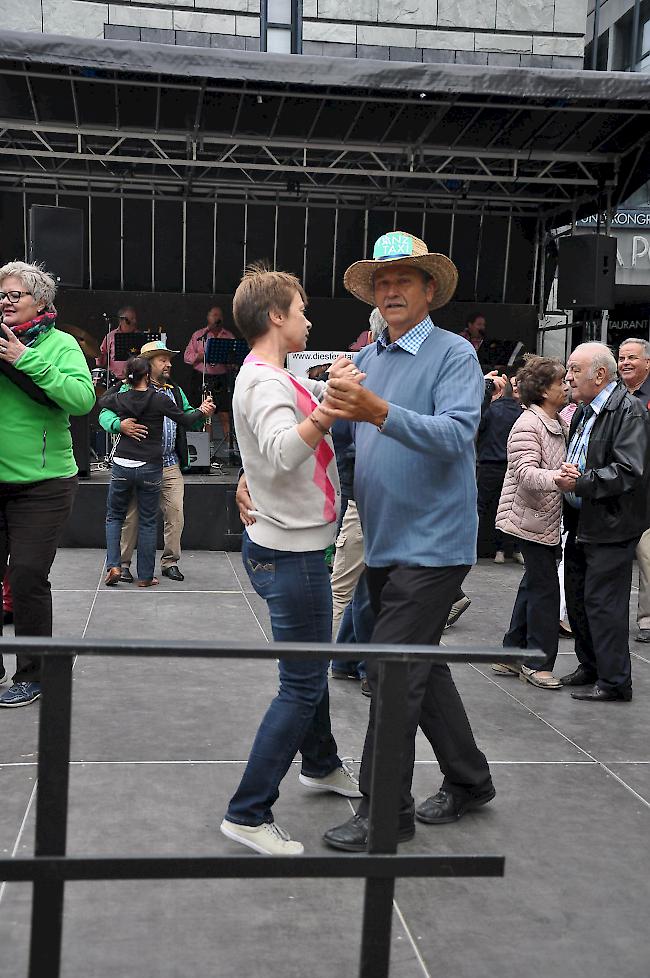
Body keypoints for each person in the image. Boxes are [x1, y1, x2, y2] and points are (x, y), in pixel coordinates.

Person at [320, 230, 494, 853]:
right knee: (420, 665)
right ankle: (470, 779)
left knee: (391, 671)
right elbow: (343, 436)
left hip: (434, 546)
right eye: (381, 282)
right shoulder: (367, 357)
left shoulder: (454, 355)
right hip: (384, 540)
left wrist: (375, 410)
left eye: (403, 280)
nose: (390, 290)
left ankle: (383, 809)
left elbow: (455, 437)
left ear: (429, 291)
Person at [220, 265, 360, 857]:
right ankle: (248, 812)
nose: (308, 318)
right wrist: (331, 407)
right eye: (301, 309)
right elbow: (278, 453)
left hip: (284, 546)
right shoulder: (264, 383)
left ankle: (321, 763)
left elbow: (265, 458)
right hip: (293, 555)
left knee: (310, 664)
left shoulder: (268, 376)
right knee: (301, 684)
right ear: (276, 317)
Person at [0, 260, 95, 707]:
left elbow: (81, 400)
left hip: (44, 484)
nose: (4, 301)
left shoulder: (60, 345)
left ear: (41, 301)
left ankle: (33, 673)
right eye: (1, 295)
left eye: (14, 294)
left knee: (26, 575)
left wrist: (26, 360)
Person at [556, 342, 650, 702]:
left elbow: (629, 470)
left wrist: (579, 482)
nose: (568, 377)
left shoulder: (629, 411)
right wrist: (573, 475)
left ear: (599, 374)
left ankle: (614, 682)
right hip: (583, 519)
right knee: (579, 598)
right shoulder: (583, 411)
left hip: (611, 523)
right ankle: (591, 665)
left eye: (574, 370)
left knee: (604, 604)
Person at [99, 340, 214, 583]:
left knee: (175, 514)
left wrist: (202, 414)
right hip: (143, 462)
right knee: (133, 517)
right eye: (163, 360)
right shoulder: (126, 389)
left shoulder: (173, 390)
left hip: (169, 463)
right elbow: (104, 413)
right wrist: (119, 424)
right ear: (147, 364)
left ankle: (170, 562)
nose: (168, 364)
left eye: (169, 360)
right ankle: (124, 564)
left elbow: (188, 418)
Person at [493, 356, 568, 689]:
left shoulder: (558, 422)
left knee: (533, 584)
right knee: (546, 590)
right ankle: (537, 663)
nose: (565, 386)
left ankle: (510, 653)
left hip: (543, 519)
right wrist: (560, 479)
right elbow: (525, 473)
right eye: (559, 382)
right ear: (542, 390)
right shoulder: (528, 424)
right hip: (529, 519)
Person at [617, 338, 650, 643]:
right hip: (617, 489)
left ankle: (647, 618)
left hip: (646, 489)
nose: (625, 362)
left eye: (632, 358)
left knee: (648, 555)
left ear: (647, 363)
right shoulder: (612, 396)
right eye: (621, 357)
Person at [477, 378, 523, 563]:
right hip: (510, 466)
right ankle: (509, 549)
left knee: (483, 507)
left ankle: (478, 547)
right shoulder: (520, 413)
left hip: (488, 465)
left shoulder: (491, 411)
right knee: (509, 510)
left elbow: (479, 429)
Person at [183, 306, 236, 438]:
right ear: (208, 317)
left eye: (219, 315)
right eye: (214, 315)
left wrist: (229, 360)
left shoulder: (228, 336)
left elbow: (235, 359)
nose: (217, 318)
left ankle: (229, 449)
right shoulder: (199, 335)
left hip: (221, 378)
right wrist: (198, 357)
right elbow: (186, 357)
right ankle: (207, 449)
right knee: (206, 414)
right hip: (202, 377)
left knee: (224, 413)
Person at [96, 305, 139, 381]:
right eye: (132, 319)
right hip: (115, 380)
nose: (134, 321)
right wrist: (99, 356)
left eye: (135, 318)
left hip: (135, 380)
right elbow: (100, 361)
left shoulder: (140, 336)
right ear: (122, 320)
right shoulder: (110, 336)